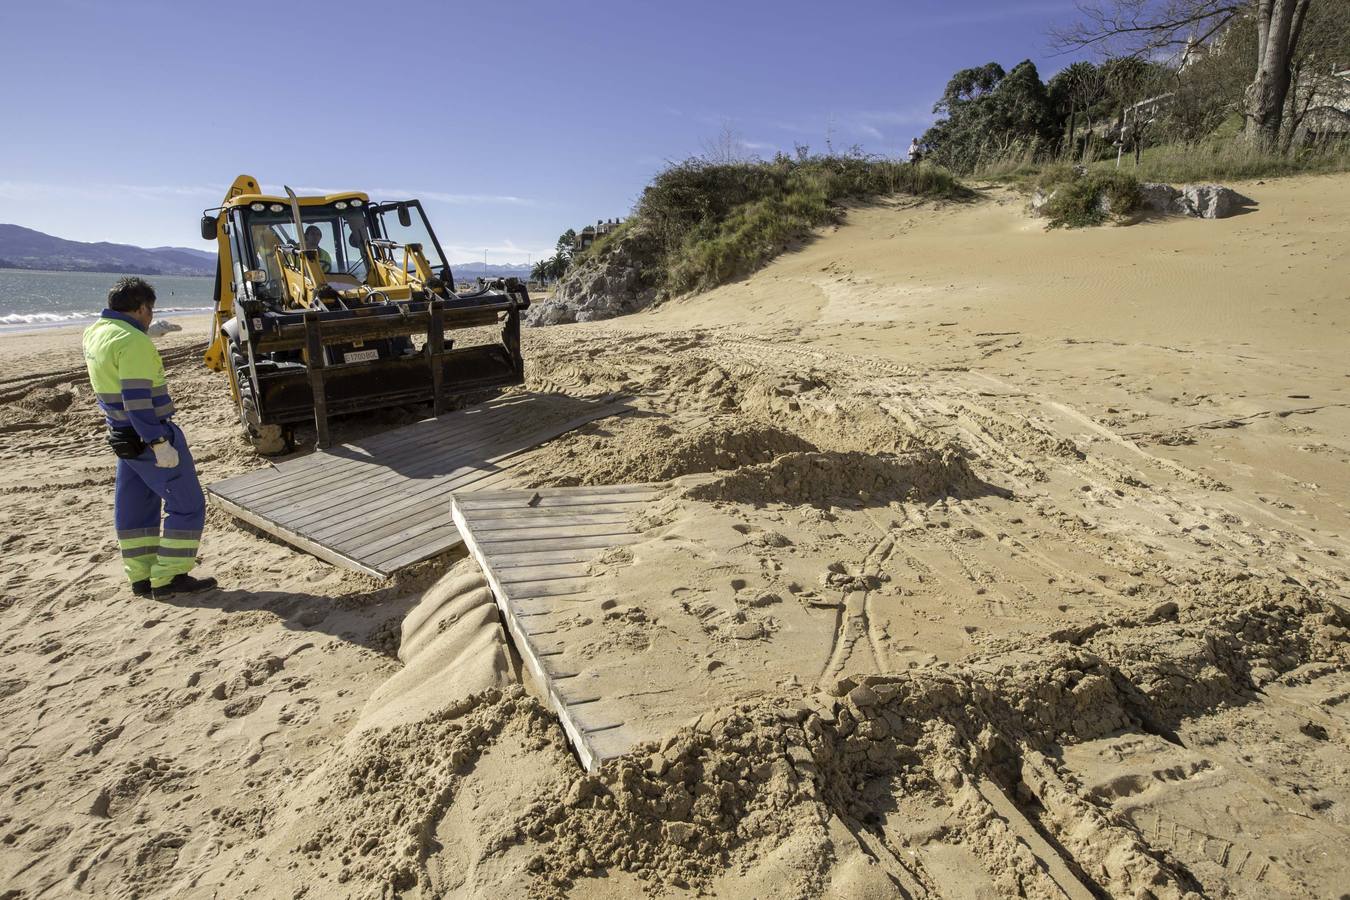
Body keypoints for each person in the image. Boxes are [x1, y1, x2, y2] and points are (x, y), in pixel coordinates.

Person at [83, 276, 216, 599]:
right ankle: (169, 577)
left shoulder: (95, 333)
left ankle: (140, 576)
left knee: (135, 507)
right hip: (147, 434)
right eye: (150, 312)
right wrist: (159, 442)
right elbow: (137, 399)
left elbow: (115, 368)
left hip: (120, 434)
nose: (151, 317)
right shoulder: (133, 342)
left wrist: (144, 335)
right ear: (142, 308)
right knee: (187, 504)